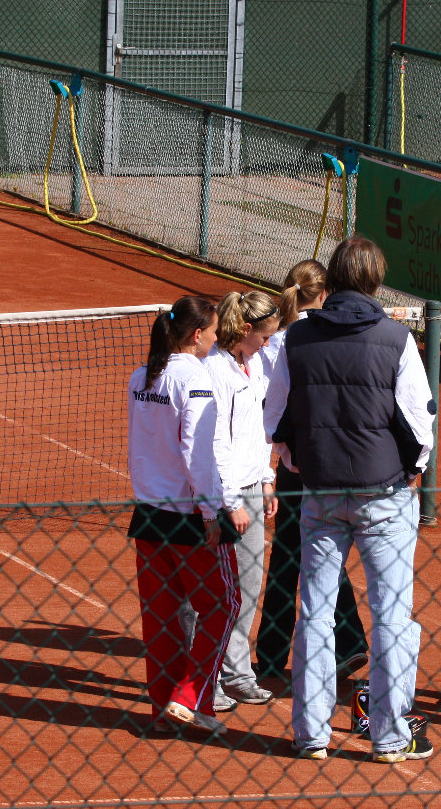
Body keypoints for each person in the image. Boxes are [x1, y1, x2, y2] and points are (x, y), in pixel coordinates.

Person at [263, 236, 436, 763]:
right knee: (392, 617)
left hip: (319, 494)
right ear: (376, 281)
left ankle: (310, 734)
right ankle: (388, 736)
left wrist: (301, 464)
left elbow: (275, 419)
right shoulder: (397, 338)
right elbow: (419, 423)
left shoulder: (294, 339)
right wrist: (410, 470)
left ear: (333, 279)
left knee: (314, 613)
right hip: (384, 494)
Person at [127, 295, 252, 737]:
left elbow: (144, 445)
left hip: (148, 516)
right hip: (189, 518)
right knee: (223, 606)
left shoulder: (141, 376)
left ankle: (166, 707)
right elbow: (197, 451)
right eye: (215, 331)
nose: (217, 338)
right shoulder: (195, 379)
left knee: (160, 616)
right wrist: (211, 511)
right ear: (197, 335)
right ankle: (191, 694)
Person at [255, 260, 370, 681]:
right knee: (321, 551)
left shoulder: (278, 341)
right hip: (331, 462)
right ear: (323, 294)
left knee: (292, 554)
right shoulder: (322, 335)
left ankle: (271, 656)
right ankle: (348, 643)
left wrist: (275, 463)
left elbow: (270, 408)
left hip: (292, 465)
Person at [204, 290, 282, 708]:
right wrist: (229, 501)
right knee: (215, 592)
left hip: (252, 486)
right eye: (265, 337)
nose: (268, 345)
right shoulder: (214, 371)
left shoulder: (253, 365)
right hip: (223, 493)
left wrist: (268, 477)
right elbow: (216, 443)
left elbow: (257, 431)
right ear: (246, 329)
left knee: (249, 585)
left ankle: (236, 672)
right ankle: (207, 677)